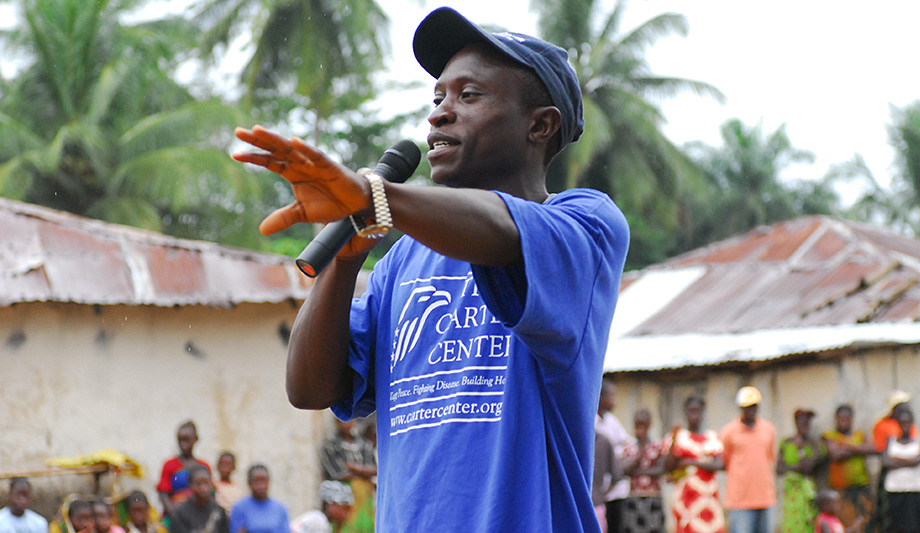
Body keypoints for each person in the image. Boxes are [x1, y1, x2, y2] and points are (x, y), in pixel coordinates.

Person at [232, 6, 629, 532]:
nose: (440, 113)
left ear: (540, 124)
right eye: (437, 97)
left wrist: (375, 197)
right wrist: (346, 260)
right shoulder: (402, 261)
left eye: (468, 96)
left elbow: (500, 229)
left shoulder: (586, 227)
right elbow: (309, 389)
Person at [663, 394, 725, 533]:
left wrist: (690, 462)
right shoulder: (678, 436)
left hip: (709, 500)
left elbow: (720, 465)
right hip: (686, 501)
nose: (694, 414)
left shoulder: (712, 437)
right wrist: (673, 439)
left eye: (697, 410)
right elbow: (668, 467)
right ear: (685, 412)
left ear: (703, 412)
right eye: (691, 410)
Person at [719, 386, 777, 533]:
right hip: (740, 500)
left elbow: (769, 457)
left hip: (765, 497)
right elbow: (724, 461)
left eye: (753, 406)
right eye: (747, 407)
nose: (751, 410)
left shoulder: (768, 429)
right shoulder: (729, 432)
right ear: (740, 408)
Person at [821, 404, 876, 532]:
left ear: (852, 419)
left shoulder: (859, 435)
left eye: (846, 418)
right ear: (836, 419)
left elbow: (873, 448)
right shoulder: (830, 435)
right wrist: (859, 449)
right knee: (846, 524)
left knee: (866, 523)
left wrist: (846, 446)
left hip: (862, 488)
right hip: (841, 490)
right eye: (841, 418)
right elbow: (835, 454)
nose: (843, 421)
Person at [319, 420, 375, 533]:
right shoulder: (331, 445)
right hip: (342, 495)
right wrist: (363, 473)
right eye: (343, 421)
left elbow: (374, 470)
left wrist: (353, 467)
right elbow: (337, 474)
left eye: (350, 421)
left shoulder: (364, 445)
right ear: (337, 423)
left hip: (364, 495)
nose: (347, 424)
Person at [777, 409, 826, 533]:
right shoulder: (786, 443)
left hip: (809, 491)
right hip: (792, 491)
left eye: (807, 424)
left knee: (809, 521)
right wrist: (797, 467)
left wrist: (795, 464)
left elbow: (808, 467)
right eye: (802, 423)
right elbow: (778, 469)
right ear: (796, 424)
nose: (805, 426)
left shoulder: (815, 444)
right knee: (792, 523)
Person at [620, 408, 665, 533]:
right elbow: (625, 471)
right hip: (634, 497)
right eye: (637, 424)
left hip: (653, 497)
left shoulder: (657, 445)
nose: (640, 428)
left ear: (649, 424)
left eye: (643, 424)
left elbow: (661, 470)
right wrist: (640, 453)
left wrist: (638, 472)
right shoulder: (629, 446)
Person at [597, 380, 633, 533]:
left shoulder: (612, 421)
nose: (615, 401)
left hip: (616, 489)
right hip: (600, 490)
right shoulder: (591, 423)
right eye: (611, 396)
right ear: (600, 397)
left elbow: (628, 444)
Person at [880, 408, 920, 533]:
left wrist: (897, 460)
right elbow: (886, 462)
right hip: (896, 490)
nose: (905, 426)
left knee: (915, 526)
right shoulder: (891, 441)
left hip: (915, 489)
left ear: (912, 423)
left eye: (907, 422)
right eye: (902, 423)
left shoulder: (919, 442)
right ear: (897, 424)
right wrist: (911, 460)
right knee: (897, 526)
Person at [157, 421, 212, 521]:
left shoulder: (204, 466)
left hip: (200, 516)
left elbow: (210, 493)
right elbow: (163, 494)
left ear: (196, 439)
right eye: (180, 440)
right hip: (175, 516)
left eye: (187, 440)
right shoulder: (169, 465)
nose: (183, 444)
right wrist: (175, 516)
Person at [169, 465, 229, 533]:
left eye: (206, 482)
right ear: (190, 485)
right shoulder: (180, 513)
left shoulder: (219, 510)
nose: (203, 488)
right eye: (198, 484)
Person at [229, 465, 289, 533]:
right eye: (256, 481)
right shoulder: (239, 508)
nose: (261, 486)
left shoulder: (280, 509)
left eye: (264, 481)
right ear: (249, 483)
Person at [289, 481, 353, 533]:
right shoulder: (319, 521)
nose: (347, 513)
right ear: (331, 505)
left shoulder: (319, 519)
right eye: (345, 508)